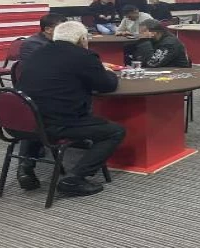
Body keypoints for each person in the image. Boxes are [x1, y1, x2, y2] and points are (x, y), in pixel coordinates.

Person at [16, 21, 125, 196]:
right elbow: (106, 86)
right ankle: (74, 179)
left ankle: (25, 167)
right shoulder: (84, 56)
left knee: (37, 116)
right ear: (82, 39)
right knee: (115, 131)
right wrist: (109, 73)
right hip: (59, 123)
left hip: (21, 121)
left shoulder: (38, 53)